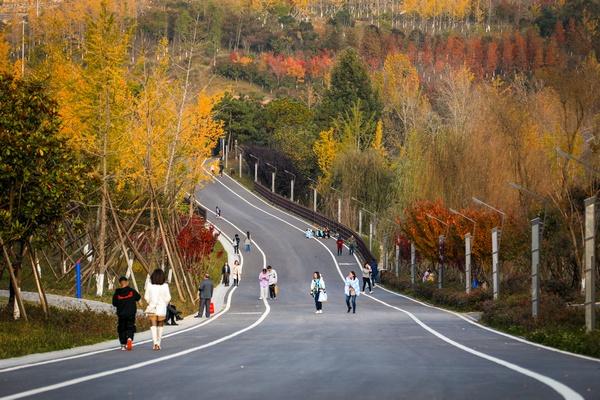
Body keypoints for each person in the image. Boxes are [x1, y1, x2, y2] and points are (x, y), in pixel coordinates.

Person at [144, 269, 171, 350]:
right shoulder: (165, 286)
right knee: (160, 324)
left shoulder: (149, 285)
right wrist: (165, 304)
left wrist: (150, 302)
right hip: (162, 308)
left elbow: (146, 297)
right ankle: (159, 343)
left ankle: (154, 342)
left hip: (152, 307)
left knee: (153, 325)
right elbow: (168, 297)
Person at [112, 276, 141, 351]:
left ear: (119, 284)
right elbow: (138, 297)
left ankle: (123, 345)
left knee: (122, 329)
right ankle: (130, 338)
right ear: (127, 283)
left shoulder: (117, 293)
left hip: (121, 314)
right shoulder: (131, 291)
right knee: (130, 327)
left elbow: (114, 303)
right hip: (131, 313)